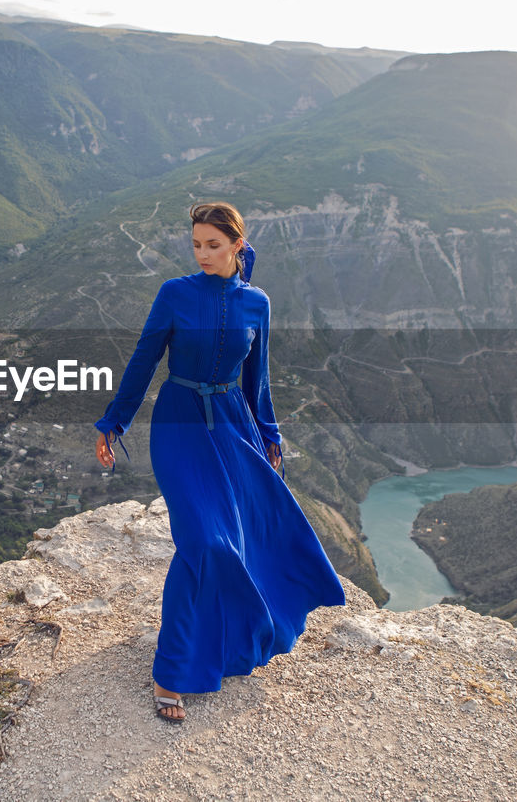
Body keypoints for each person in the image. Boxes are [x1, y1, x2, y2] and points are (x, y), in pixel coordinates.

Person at [94, 201, 346, 723]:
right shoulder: (175, 294)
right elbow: (144, 360)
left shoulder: (258, 304)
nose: (203, 254)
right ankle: (171, 671)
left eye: (214, 245)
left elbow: (260, 379)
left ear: (237, 245)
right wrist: (114, 422)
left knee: (252, 535)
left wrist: (270, 435)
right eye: (196, 245)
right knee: (203, 541)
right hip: (180, 422)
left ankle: (236, 637)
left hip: (234, 424)